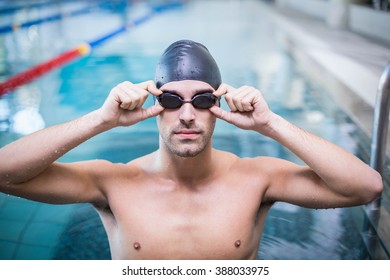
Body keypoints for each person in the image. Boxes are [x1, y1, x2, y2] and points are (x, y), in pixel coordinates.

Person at [0, 40, 383, 260]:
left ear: (220, 105)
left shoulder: (257, 178)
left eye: (201, 101)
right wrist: (101, 120)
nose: (186, 115)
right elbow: (5, 173)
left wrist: (271, 124)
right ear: (153, 105)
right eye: (170, 101)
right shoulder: (114, 182)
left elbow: (365, 187)